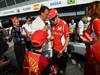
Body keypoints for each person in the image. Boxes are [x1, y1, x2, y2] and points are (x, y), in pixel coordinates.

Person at [79, 1, 100, 75]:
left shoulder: (96, 21)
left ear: (94, 9)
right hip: (90, 54)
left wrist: (87, 42)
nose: (88, 10)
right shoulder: (92, 21)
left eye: (90, 8)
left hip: (93, 58)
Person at [49, 9, 69, 74]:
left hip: (62, 52)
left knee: (61, 71)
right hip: (54, 51)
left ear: (57, 16)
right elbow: (53, 37)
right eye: (50, 19)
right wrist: (48, 39)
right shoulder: (52, 25)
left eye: (53, 19)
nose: (52, 21)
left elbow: (67, 39)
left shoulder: (64, 24)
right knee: (54, 70)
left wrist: (62, 50)